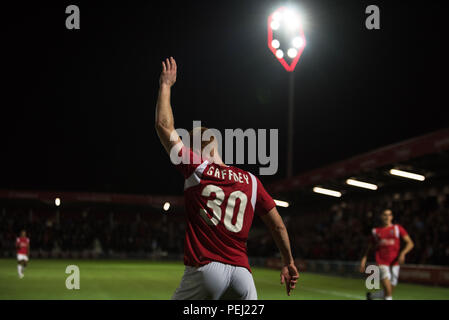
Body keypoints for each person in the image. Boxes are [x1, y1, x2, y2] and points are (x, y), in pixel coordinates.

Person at [155, 57, 299, 300]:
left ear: (198, 149)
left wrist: (165, 85)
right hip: (243, 276)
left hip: (206, 270)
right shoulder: (252, 181)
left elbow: (163, 126)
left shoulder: (197, 168)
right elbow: (277, 225)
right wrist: (289, 261)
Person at [359, 209, 414, 300]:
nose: (387, 217)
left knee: (389, 291)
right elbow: (368, 248)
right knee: (388, 293)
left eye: (389, 215)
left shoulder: (397, 228)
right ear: (381, 216)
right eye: (385, 215)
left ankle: (371, 296)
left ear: (392, 217)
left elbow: (410, 243)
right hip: (382, 263)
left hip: (395, 264)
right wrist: (363, 260)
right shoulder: (376, 231)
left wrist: (403, 253)